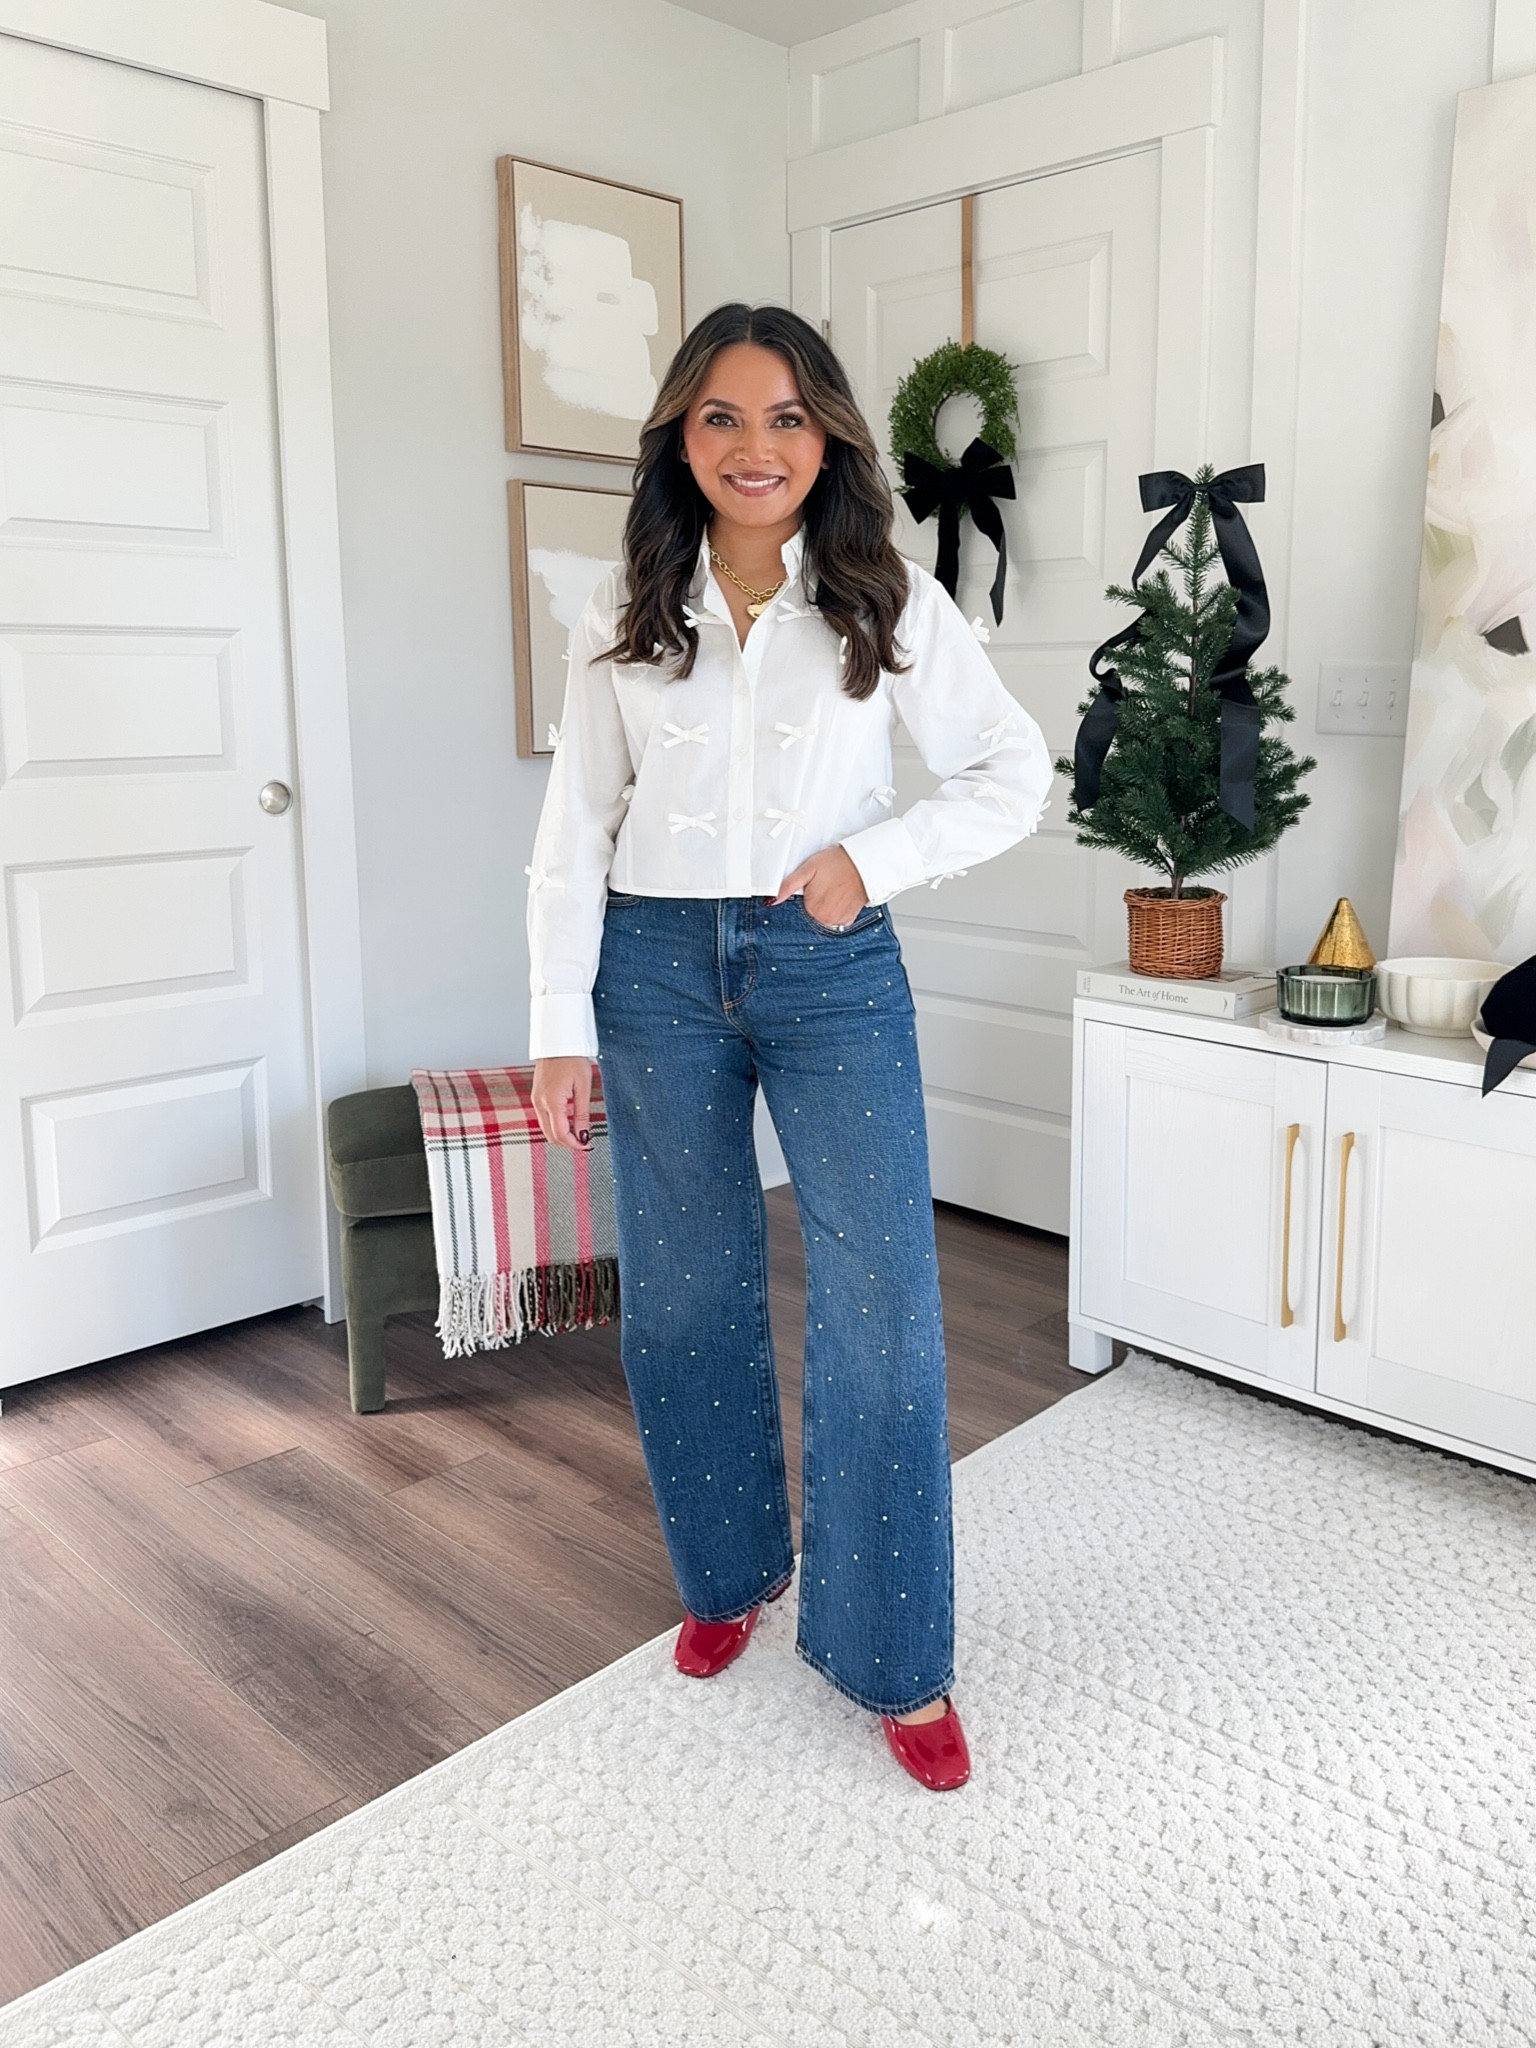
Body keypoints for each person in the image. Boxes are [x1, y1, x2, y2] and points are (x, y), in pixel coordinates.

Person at [527, 302, 1051, 1790]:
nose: (755, 449)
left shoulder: (889, 600)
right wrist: (555, 1024)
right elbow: (574, 825)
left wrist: (871, 865)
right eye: (721, 420)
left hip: (831, 967)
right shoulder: (625, 611)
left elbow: (1013, 773)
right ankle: (728, 1578)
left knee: (881, 1299)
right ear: (679, 440)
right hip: (649, 968)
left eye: (785, 419)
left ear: (827, 437)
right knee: (685, 1297)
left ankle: (895, 1657)